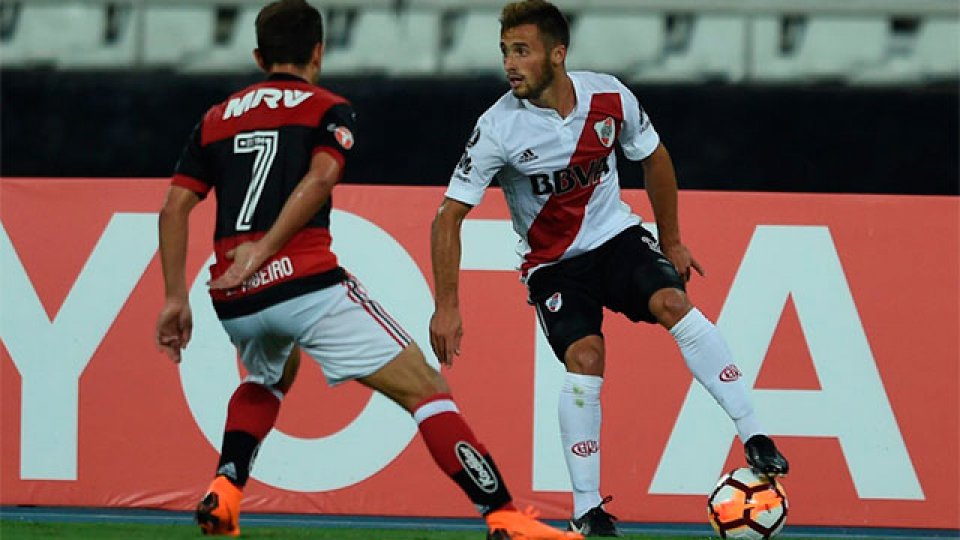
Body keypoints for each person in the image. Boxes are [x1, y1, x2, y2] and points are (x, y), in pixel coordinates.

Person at [155, 2, 582, 539]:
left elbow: (173, 208)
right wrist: (264, 250)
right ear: (318, 52)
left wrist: (175, 298)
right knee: (426, 389)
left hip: (235, 298)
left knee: (268, 377)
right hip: (303, 283)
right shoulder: (326, 108)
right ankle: (503, 514)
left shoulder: (216, 118)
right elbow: (321, 176)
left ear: (260, 56)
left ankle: (225, 487)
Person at [428, 1, 789, 537]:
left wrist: (672, 241)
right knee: (586, 357)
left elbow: (655, 157)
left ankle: (755, 435)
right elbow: (448, 217)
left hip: (616, 238)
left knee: (673, 303)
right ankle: (588, 509)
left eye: (522, 51)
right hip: (553, 265)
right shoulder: (497, 128)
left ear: (557, 54)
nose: (510, 64)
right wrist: (447, 306)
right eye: (505, 52)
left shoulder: (609, 97)